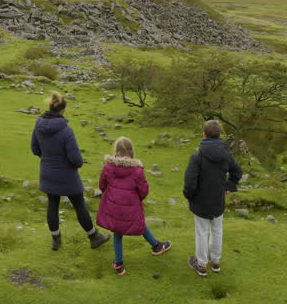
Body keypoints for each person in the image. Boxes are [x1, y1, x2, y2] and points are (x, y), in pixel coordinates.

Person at [31, 91, 110, 251]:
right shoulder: (66, 131)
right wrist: (78, 163)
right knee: (79, 205)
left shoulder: (38, 126)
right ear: (63, 110)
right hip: (67, 175)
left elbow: (35, 148)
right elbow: (75, 159)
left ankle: (56, 240)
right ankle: (94, 237)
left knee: (52, 205)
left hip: (47, 172)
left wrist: (48, 159)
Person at [96, 136, 172, 275]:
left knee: (118, 232)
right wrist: (136, 200)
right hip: (131, 206)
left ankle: (119, 264)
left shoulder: (108, 167)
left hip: (113, 206)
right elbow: (144, 191)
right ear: (131, 151)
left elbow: (102, 185)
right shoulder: (137, 170)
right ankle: (156, 246)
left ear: (116, 150)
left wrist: (111, 196)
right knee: (138, 222)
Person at [183, 119, 242, 276]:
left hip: (201, 201)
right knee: (217, 230)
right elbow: (237, 173)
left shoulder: (197, 156)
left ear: (204, 134)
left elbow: (190, 182)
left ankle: (201, 265)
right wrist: (228, 187)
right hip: (218, 199)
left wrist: (190, 196)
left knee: (202, 232)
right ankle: (215, 262)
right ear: (219, 134)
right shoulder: (226, 154)